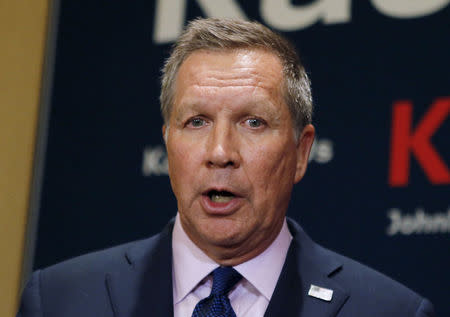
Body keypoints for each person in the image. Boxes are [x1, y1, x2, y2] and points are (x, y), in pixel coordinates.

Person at [17, 18, 434, 317]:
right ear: (168, 141)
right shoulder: (57, 299)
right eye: (196, 122)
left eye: (254, 122)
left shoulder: (390, 310)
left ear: (301, 152)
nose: (220, 151)